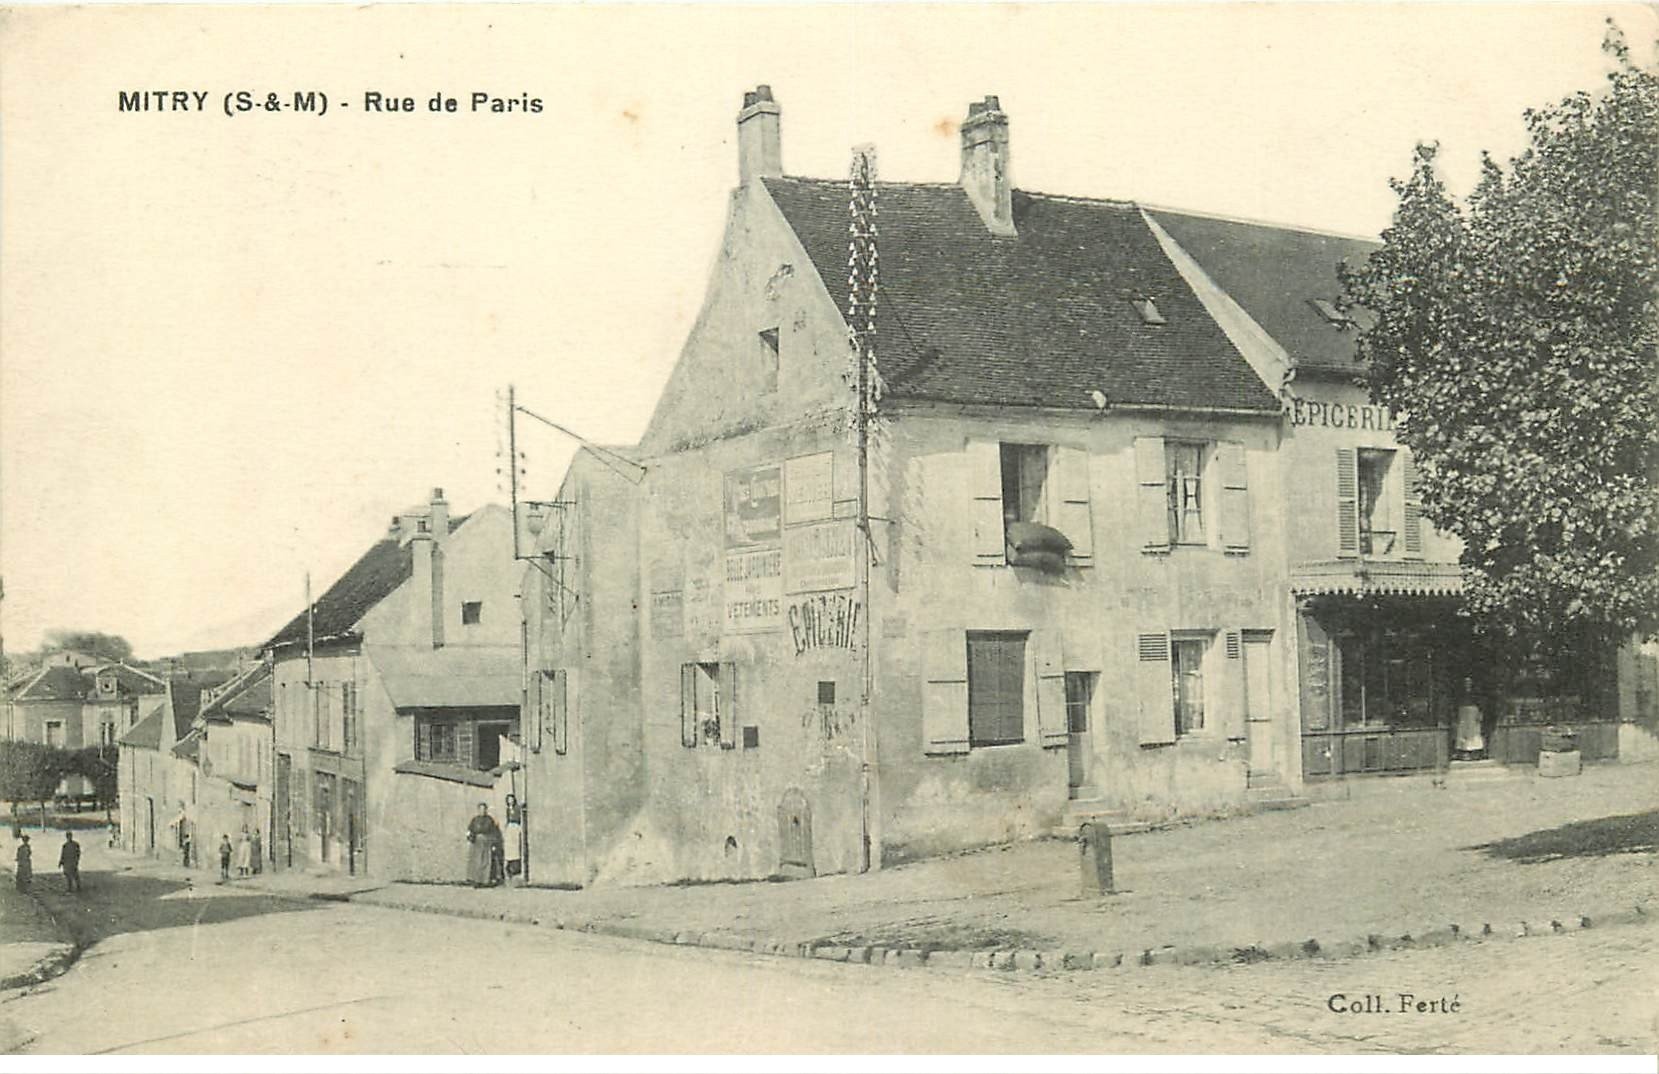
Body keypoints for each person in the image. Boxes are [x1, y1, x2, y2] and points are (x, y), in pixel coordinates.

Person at [465, 803, 500, 888]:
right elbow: (470, 830)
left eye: (484, 809)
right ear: (478, 810)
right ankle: (476, 881)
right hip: (476, 842)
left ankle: (485, 881)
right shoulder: (475, 819)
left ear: (486, 810)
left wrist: (494, 843)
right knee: (476, 861)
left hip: (487, 841)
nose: (482, 811)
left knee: (485, 861)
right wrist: (469, 837)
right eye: (481, 809)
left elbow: (494, 832)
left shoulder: (489, 820)